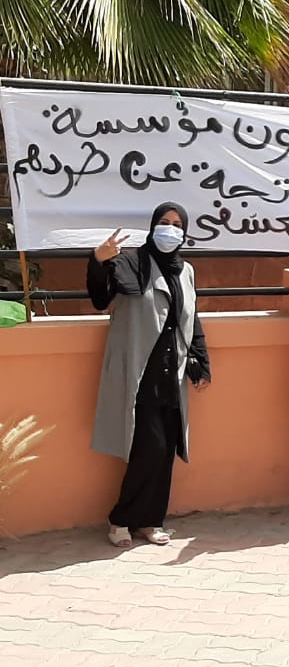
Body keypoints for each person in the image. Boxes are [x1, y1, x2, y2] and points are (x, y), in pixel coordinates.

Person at [88, 203, 211, 548]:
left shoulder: (186, 270)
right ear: (153, 226)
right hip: (139, 373)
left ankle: (151, 520)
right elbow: (100, 298)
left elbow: (191, 319)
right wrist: (98, 261)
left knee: (167, 450)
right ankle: (120, 518)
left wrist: (201, 362)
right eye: (164, 222)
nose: (170, 229)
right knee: (149, 448)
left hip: (173, 373)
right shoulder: (130, 263)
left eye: (177, 224)